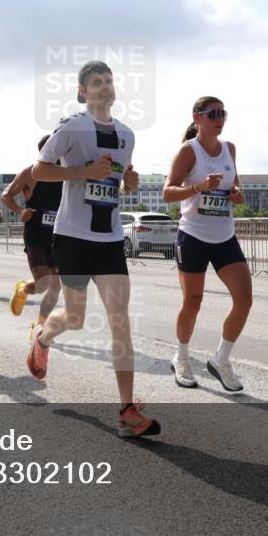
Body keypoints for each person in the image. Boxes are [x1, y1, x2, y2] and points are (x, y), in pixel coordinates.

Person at [26, 60, 159, 438]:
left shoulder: (127, 135)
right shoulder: (72, 127)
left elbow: (117, 179)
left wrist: (127, 180)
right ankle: (42, 338)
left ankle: (126, 411)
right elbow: (39, 171)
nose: (105, 87)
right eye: (96, 82)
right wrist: (83, 172)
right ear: (82, 91)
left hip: (110, 239)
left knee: (120, 318)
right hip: (72, 237)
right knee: (76, 318)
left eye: (109, 80)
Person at [162, 96, 251, 391]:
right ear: (197, 117)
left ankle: (221, 360)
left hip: (224, 236)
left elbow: (235, 186)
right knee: (193, 302)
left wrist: (237, 194)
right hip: (193, 236)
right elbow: (167, 192)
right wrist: (197, 187)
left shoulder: (229, 149)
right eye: (213, 113)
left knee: (244, 299)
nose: (220, 118)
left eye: (223, 113)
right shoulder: (189, 152)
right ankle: (182, 357)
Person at [2, 135, 63, 331]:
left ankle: (39, 327)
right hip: (36, 235)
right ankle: (22, 290)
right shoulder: (30, 173)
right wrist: (21, 211)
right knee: (43, 283)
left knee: (55, 287)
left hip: (57, 236)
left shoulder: (66, 174)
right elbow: (6, 195)